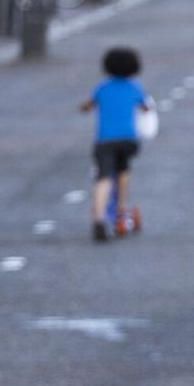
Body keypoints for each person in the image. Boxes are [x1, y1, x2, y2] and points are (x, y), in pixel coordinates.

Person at [78, 47, 150, 241]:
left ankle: (99, 217)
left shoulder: (103, 87)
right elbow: (146, 107)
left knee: (104, 177)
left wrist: (84, 107)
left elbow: (87, 105)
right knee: (123, 171)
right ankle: (120, 211)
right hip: (128, 139)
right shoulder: (135, 87)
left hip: (105, 140)